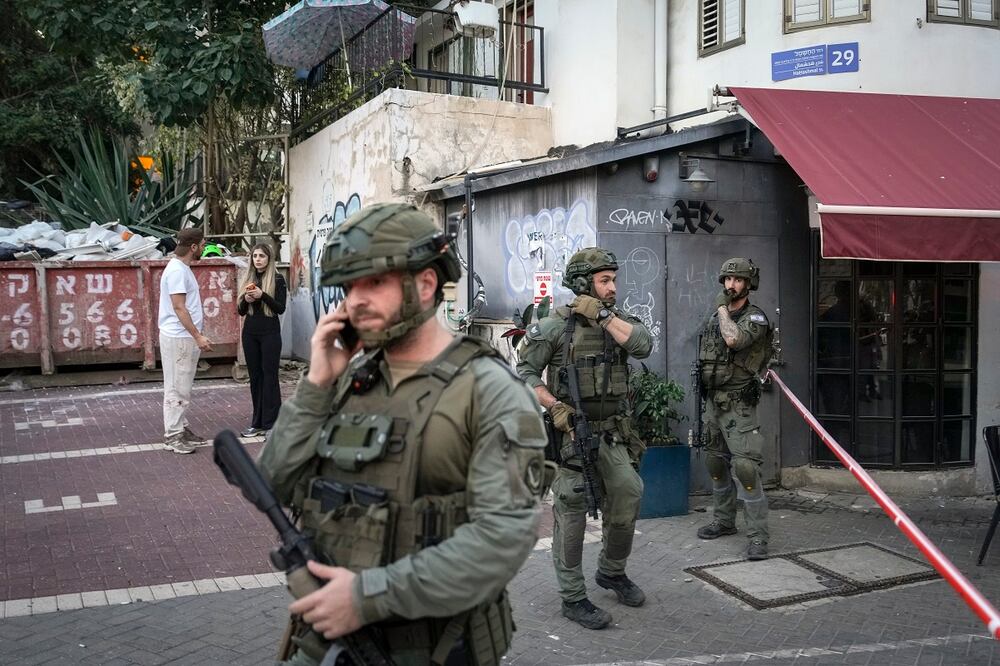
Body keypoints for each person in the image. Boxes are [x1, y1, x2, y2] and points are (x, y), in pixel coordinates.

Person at [257, 203, 547, 666]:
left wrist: (366, 597)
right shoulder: (346, 379)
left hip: (431, 650)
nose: (354, 301)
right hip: (324, 645)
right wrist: (315, 386)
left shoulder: (490, 391)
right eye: (349, 287)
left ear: (425, 284)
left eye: (373, 282)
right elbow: (272, 484)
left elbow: (502, 540)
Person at [515, 247, 652, 631]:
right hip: (572, 433)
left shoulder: (618, 322)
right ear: (582, 284)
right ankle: (573, 597)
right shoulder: (555, 326)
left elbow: (643, 346)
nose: (613, 287)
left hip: (613, 434)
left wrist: (604, 316)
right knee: (572, 511)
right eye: (604, 280)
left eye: (614, 280)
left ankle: (611, 572)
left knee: (628, 492)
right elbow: (524, 371)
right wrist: (554, 405)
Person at [695, 257, 772, 560]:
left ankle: (758, 537)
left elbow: (733, 339)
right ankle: (724, 521)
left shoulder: (755, 319)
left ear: (748, 284)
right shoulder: (717, 315)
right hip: (714, 400)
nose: (731, 285)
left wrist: (722, 310)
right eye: (727, 280)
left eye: (737, 280)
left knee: (746, 468)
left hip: (739, 404)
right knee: (715, 463)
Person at [158, 227, 213, 454]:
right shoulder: (178, 271)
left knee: (182, 387)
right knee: (177, 388)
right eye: (202, 245)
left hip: (181, 337)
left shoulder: (181, 268)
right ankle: (173, 435)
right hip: (179, 338)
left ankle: (180, 427)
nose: (203, 248)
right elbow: (179, 307)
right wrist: (197, 335)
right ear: (193, 247)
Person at [237, 243, 287, 437]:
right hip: (250, 333)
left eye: (262, 256)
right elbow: (240, 311)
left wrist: (263, 295)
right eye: (255, 256)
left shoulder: (278, 279)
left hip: (270, 334)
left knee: (270, 377)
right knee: (255, 378)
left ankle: (272, 423)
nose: (257, 259)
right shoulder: (248, 278)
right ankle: (257, 422)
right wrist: (246, 300)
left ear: (269, 259)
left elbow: (280, 308)